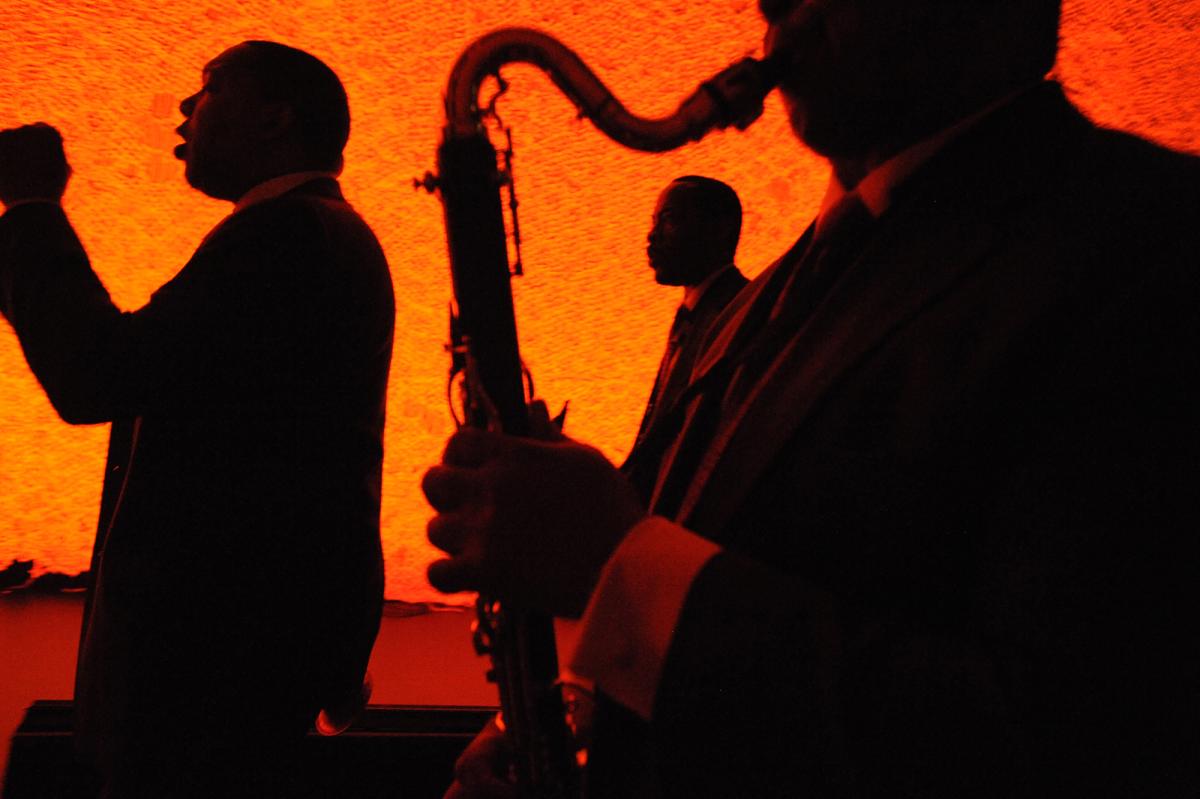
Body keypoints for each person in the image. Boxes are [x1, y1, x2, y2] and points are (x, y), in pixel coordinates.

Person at [423, 0, 1200, 796]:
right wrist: (578, 712)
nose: (770, 4)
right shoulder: (788, 283)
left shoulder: (1157, 242)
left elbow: (1068, 737)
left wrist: (619, 571)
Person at [0, 41, 394, 797]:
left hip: (207, 680)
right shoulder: (319, 235)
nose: (185, 108)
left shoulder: (282, 237)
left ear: (276, 118)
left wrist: (32, 208)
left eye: (209, 88)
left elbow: (99, 373)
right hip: (239, 674)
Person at [624, 176, 748, 499]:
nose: (651, 237)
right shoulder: (704, 311)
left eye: (669, 221)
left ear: (719, 230)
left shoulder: (737, 314)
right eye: (655, 222)